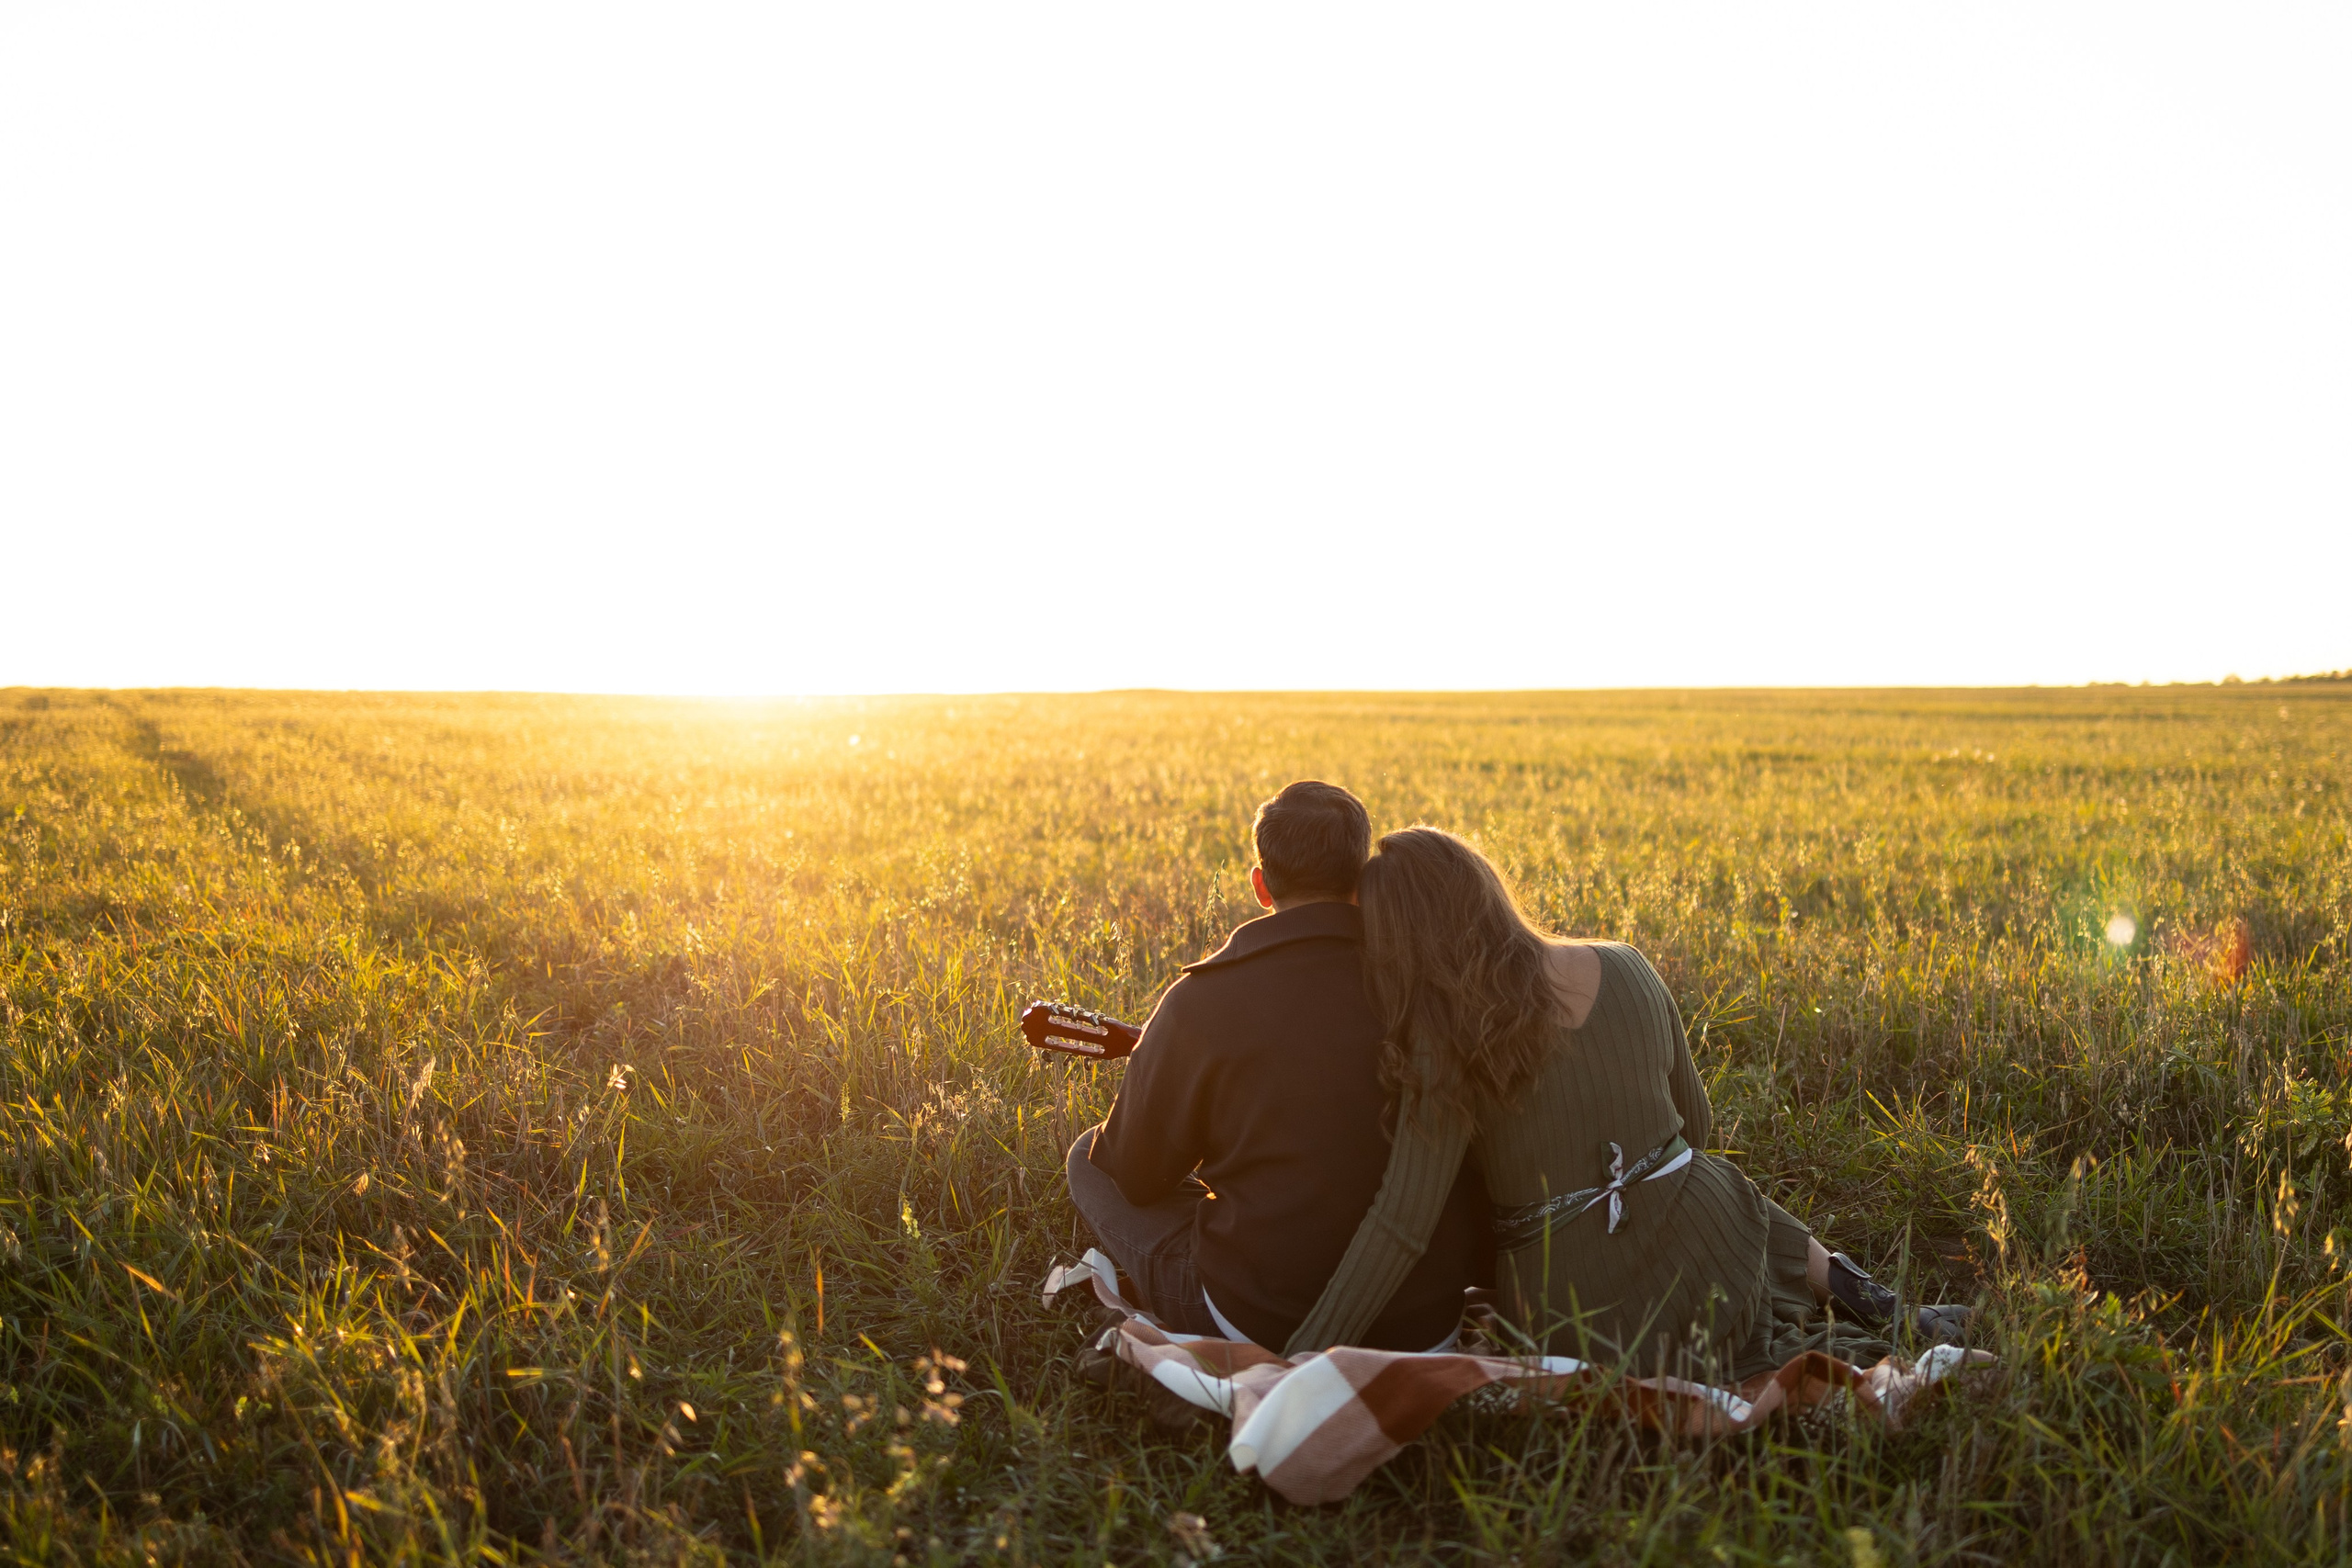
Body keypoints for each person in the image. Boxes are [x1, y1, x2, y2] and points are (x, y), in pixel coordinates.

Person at [1282, 827, 1968, 1376]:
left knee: (1715, 1291)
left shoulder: (1445, 1039)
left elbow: (1401, 1223)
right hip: (1709, 1240)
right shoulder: (1626, 962)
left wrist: (1300, 1356)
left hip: (1579, 1306)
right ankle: (1884, 1305)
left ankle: (1881, 1350)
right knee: (1721, 1188)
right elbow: (1696, 1125)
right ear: (1485, 889)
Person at [1065, 782, 1488, 1351]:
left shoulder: (1200, 999)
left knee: (1089, 1158)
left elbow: (1138, 1178)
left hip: (1262, 1324)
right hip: (1426, 1327)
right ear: (1363, 881)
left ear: (1260, 885)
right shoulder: (1430, 986)